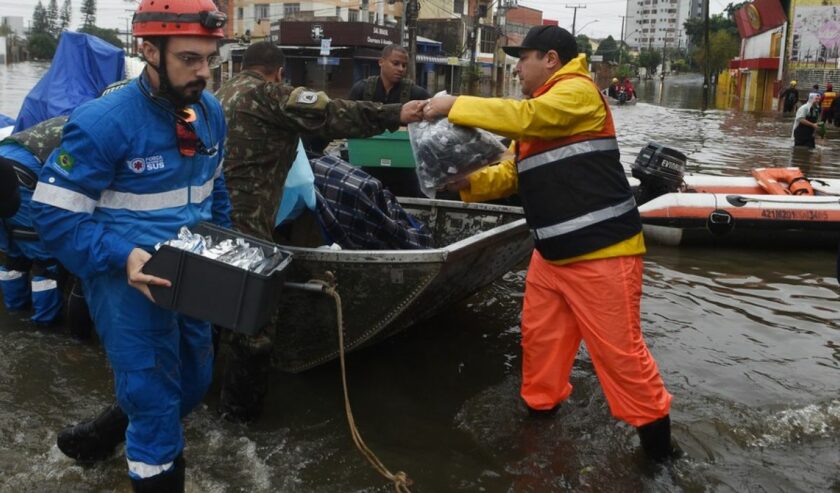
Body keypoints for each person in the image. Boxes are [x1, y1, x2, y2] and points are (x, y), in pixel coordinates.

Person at [423, 25, 677, 462]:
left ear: (552, 60)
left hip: (603, 252)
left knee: (621, 358)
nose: (517, 66)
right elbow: (515, 172)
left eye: (525, 58)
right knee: (540, 346)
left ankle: (661, 456)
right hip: (552, 253)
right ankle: (539, 424)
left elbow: (524, 118)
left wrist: (454, 105)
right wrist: (466, 183)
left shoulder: (577, 92)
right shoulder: (543, 109)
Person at [31, 0, 232, 490]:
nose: (204, 73)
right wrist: (122, 257)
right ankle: (150, 457)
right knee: (156, 407)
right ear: (149, 50)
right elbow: (54, 215)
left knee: (193, 383)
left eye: (211, 59)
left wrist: (228, 251)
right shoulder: (102, 122)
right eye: (190, 59)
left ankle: (102, 435)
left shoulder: (209, 114)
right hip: (126, 280)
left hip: (191, 272)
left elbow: (214, 191)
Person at [214, 41, 425, 422]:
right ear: (278, 72)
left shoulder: (221, 93)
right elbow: (332, 113)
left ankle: (207, 393)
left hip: (210, 219)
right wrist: (398, 114)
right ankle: (239, 419)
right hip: (247, 224)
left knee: (215, 304)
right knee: (255, 321)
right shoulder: (267, 94)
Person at [0, 116, 68, 325]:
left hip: (6, 158)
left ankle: (12, 315)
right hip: (20, 175)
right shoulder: (96, 130)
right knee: (45, 261)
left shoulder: (69, 119)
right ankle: (44, 326)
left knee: (12, 255)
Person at [348, 43, 431, 104]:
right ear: (381, 62)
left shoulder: (416, 94)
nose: (401, 69)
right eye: (395, 63)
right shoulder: (361, 89)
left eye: (404, 65)